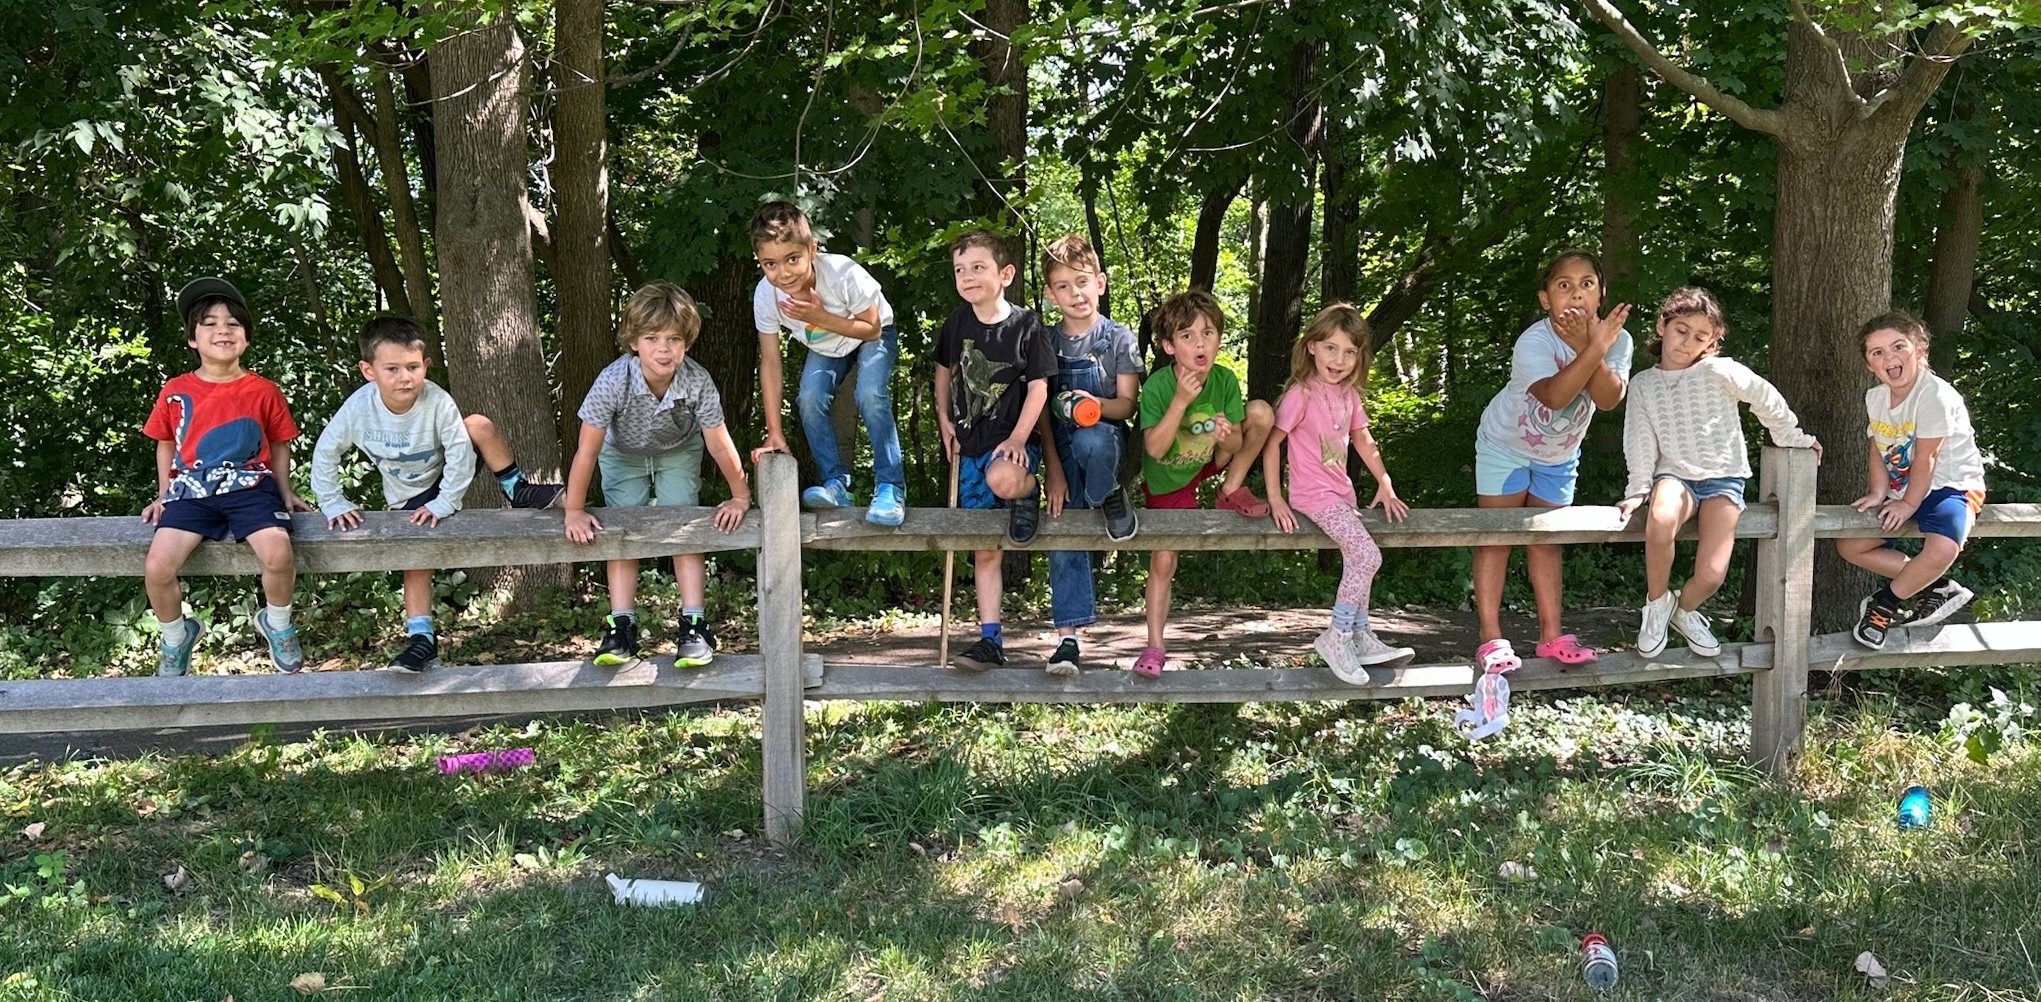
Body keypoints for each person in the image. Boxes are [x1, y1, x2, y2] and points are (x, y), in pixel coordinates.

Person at [310, 315, 566, 672]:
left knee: (478, 425)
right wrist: (333, 501)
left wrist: (444, 502)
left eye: (413, 367)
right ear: (369, 371)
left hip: (448, 473)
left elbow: (461, 454)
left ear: (426, 365)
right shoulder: (358, 408)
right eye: (393, 369)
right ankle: (422, 639)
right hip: (407, 496)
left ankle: (516, 488)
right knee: (417, 560)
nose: (405, 377)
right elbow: (326, 452)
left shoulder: (437, 401)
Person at [1615, 287, 1819, 659]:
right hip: (1674, 476)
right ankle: (1657, 603)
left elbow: (1765, 396)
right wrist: (1637, 487)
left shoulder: (1719, 370)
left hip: (1724, 478)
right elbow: (1640, 439)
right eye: (1681, 329)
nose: (1687, 342)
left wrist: (1792, 435)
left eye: (1700, 337)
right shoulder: (1643, 384)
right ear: (1662, 325)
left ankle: (1685, 610)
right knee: (1660, 521)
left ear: (1711, 342)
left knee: (1711, 575)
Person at [563, 283, 753, 667]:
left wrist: (740, 495)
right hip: (622, 454)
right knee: (621, 528)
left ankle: (694, 624)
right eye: (652, 338)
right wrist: (574, 509)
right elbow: (588, 448)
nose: (664, 349)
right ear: (634, 342)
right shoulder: (613, 380)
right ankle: (621, 628)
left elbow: (718, 442)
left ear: (687, 342)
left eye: (674, 339)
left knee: (683, 522)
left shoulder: (697, 381)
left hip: (678, 451)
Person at [1470, 251, 1633, 673]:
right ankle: (1490, 638)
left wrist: (1589, 345)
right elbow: (1556, 396)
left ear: (1602, 294)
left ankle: (1551, 636)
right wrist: (1594, 346)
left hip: (1558, 456)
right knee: (1497, 536)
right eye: (1564, 285)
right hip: (1504, 446)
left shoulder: (1621, 339)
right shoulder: (1535, 341)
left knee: (1547, 540)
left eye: (1586, 284)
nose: (1575, 293)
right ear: (1546, 299)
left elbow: (1609, 398)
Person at [141, 277, 311, 675]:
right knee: (157, 567)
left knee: (279, 552)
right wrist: (164, 493)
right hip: (190, 489)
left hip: (250, 486)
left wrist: (285, 491)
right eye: (210, 323)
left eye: (233, 323)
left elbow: (280, 443)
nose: (223, 329)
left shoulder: (263, 390)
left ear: (246, 338)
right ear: (192, 340)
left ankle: (278, 624)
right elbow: (165, 442)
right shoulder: (175, 389)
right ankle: (175, 636)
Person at [1264, 303, 1416, 682]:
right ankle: (1338, 635)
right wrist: (1276, 497)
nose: (1340, 359)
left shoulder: (1349, 394)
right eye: (1331, 348)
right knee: (1367, 555)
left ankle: (1360, 636)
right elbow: (1272, 445)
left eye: (1350, 352)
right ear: (1312, 346)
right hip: (1312, 497)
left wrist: (1384, 481)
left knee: (1357, 558)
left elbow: (1362, 439)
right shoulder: (1301, 394)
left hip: (1341, 495)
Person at [1133, 289, 1274, 678]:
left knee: (1260, 412)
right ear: (1168, 345)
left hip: (1212, 461)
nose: (1200, 343)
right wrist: (1180, 401)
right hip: (1169, 479)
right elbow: (1156, 450)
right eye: (1187, 336)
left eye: (1208, 333)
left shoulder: (1225, 380)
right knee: (1164, 560)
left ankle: (1230, 490)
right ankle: (1155, 647)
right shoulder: (1160, 386)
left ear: (1219, 339)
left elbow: (1234, 443)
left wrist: (1226, 433)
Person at [935, 230, 1057, 672]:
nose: (967, 276)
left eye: (978, 267)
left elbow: (1040, 388)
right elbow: (944, 372)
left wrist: (1019, 439)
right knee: (984, 548)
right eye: (960, 270)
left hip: (1012, 444)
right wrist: (944, 419)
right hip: (969, 445)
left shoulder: (1027, 325)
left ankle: (1027, 492)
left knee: (1002, 478)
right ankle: (991, 640)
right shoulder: (956, 323)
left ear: (1005, 274)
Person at [749, 201, 907, 525]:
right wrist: (774, 432)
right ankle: (836, 484)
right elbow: (770, 362)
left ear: (812, 248)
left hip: (871, 333)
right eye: (770, 264)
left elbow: (872, 328)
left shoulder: (843, 273)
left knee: (869, 394)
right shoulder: (766, 295)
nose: (783, 273)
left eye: (792, 258)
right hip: (830, 345)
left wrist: (820, 317)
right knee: (808, 398)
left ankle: (890, 486)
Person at [1837, 310, 1985, 649]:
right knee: (1851, 545)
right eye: (1877, 352)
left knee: (1944, 547)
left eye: (1898, 346)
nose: (1889, 357)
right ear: (1869, 364)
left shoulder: (1934, 394)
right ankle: (1935, 587)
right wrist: (1879, 491)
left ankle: (1885, 604)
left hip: (1952, 484)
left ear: (1919, 348)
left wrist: (1907, 503)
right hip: (1906, 488)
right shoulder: (1875, 397)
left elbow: (1927, 457)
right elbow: (1878, 444)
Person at [1037, 234, 1142, 676]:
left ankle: (1108, 493)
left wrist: (1092, 407)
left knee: (1091, 439)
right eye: (1063, 286)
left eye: (1082, 282)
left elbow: (1128, 405)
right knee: (1062, 526)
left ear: (1100, 282)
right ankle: (1067, 639)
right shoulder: (1043, 341)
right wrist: (1054, 472)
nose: (1075, 293)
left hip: (1104, 438)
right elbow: (1041, 411)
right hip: (1059, 446)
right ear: (1049, 294)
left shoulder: (1117, 336)